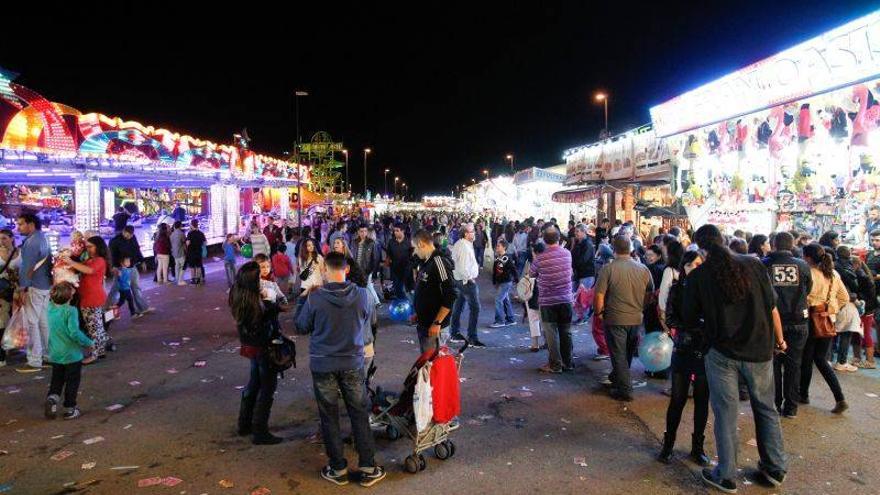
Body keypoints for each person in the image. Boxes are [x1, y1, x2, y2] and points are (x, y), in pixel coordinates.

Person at [683, 224, 787, 493]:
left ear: (700, 248)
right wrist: (778, 339)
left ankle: (726, 475)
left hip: (722, 353)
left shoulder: (699, 276)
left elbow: (688, 318)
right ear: (723, 241)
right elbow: (771, 305)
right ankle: (774, 467)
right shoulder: (754, 265)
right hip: (759, 348)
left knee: (726, 413)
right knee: (766, 407)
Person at [295, 252, 386, 487]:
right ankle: (368, 466)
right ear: (345, 269)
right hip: (352, 363)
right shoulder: (363, 296)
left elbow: (301, 326)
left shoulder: (315, 298)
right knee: (358, 413)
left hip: (323, 363)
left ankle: (338, 468)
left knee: (329, 416)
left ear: (325, 269)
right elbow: (369, 322)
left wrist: (303, 298)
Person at [658, 250, 709, 465]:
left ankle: (697, 447)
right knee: (677, 400)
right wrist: (694, 324)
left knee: (702, 401)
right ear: (683, 267)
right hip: (683, 350)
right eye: (691, 265)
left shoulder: (711, 291)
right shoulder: (677, 290)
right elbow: (670, 318)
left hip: (705, 352)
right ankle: (668, 445)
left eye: (699, 264)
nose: (695, 268)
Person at [594, 236, 654, 400]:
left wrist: (599, 313)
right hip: (635, 317)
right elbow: (650, 292)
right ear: (631, 249)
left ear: (614, 249)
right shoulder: (643, 269)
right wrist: (642, 307)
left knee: (618, 353)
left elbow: (599, 294)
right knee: (626, 352)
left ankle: (625, 389)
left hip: (615, 317)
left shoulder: (608, 269)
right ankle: (618, 377)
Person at [230, 261, 283, 445]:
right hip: (263, 347)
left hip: (250, 346)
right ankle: (260, 431)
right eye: (259, 277)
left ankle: (245, 424)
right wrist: (271, 306)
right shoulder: (255, 302)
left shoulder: (238, 294)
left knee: (254, 383)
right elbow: (262, 327)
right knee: (267, 387)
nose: (262, 279)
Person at [763, 232, 812, 419]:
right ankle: (791, 407)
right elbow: (809, 289)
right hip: (799, 321)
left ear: (773, 244)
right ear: (792, 245)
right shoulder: (802, 265)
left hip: (772, 323)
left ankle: (774, 404)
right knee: (794, 365)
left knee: (773, 365)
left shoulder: (764, 265)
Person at [800, 243, 850, 414]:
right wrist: (831, 311)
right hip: (828, 321)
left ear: (807, 257)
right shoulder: (834, 274)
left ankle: (803, 394)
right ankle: (839, 397)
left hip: (811, 320)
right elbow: (844, 297)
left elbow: (802, 298)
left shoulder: (809, 273)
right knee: (821, 359)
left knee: (806, 358)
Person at [44, 282, 94, 420]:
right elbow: (74, 333)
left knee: (57, 380)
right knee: (72, 381)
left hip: (55, 353)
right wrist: (89, 343)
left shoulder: (50, 308)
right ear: (68, 297)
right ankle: (70, 408)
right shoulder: (70, 311)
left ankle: (53, 399)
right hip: (72, 354)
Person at [530, 227, 574, 374]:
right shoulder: (567, 254)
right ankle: (568, 362)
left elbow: (531, 273)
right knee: (566, 331)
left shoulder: (540, 258)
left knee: (551, 333)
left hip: (548, 301)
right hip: (566, 299)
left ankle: (555, 364)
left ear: (544, 239)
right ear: (559, 238)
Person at [63, 236, 110, 363]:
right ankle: (100, 350)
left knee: (94, 327)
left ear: (98, 247)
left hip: (92, 298)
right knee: (95, 326)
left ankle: (94, 354)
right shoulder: (91, 259)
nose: (88, 249)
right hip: (88, 297)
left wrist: (71, 262)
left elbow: (89, 270)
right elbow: (79, 268)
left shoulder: (99, 260)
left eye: (90, 246)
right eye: (87, 247)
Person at [16, 213, 53, 370]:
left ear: (31, 224)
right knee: (44, 322)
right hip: (45, 285)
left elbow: (27, 268)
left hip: (33, 286)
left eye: (21, 224)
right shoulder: (43, 238)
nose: (18, 227)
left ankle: (34, 360)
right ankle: (48, 355)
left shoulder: (31, 242)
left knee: (32, 323)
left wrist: (22, 288)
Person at [412, 229, 456, 353]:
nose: (415, 252)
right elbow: (428, 291)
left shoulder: (439, 262)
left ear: (421, 244)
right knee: (427, 366)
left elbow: (451, 294)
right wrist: (419, 314)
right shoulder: (426, 262)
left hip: (434, 328)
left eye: (415, 248)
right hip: (425, 324)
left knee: (434, 367)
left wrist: (437, 322)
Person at [449, 223, 484, 347]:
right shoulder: (463, 246)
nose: (474, 233)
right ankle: (472, 337)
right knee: (475, 308)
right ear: (465, 233)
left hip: (459, 280)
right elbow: (463, 267)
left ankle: (454, 332)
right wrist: (469, 279)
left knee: (458, 307)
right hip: (465, 282)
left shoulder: (462, 244)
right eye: (472, 231)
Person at [107, 226, 152, 314]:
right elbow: (111, 255)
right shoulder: (115, 240)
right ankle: (107, 308)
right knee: (116, 288)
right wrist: (114, 266)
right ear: (123, 231)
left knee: (136, 287)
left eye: (130, 235)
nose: (129, 237)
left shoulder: (133, 238)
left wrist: (142, 260)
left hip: (132, 266)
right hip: (120, 268)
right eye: (127, 235)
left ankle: (142, 307)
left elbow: (137, 249)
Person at [0, 229, 20, 368]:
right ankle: (2, 354)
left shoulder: (20, 253)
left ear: (12, 238)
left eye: (4, 238)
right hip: (2, 291)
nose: (1, 241)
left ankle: (11, 345)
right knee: (2, 321)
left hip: (18, 291)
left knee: (16, 320)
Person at [490, 239, 517, 328]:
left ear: (504, 247)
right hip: (501, 282)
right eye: (497, 246)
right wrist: (494, 281)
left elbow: (513, 269)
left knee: (498, 299)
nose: (496, 247)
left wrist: (517, 280)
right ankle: (511, 319)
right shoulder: (498, 257)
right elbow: (495, 271)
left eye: (498, 246)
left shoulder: (506, 257)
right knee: (505, 300)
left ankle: (500, 321)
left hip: (505, 282)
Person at [385, 225, 412, 301]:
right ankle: (400, 304)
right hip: (394, 270)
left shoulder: (409, 242)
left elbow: (412, 256)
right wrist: (387, 262)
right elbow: (388, 254)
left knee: (404, 289)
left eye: (397, 230)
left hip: (406, 270)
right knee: (397, 289)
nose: (395, 232)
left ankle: (407, 304)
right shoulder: (391, 242)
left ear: (402, 231)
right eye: (394, 231)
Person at [571, 223, 597, 291]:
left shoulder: (588, 244)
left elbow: (582, 260)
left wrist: (572, 266)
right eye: (575, 231)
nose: (575, 233)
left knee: (583, 299)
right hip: (578, 275)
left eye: (577, 231)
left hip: (586, 276)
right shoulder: (578, 243)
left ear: (583, 232)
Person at [185, 219, 207, 285]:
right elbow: (205, 243)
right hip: (198, 251)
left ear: (191, 225)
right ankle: (198, 278)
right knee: (199, 266)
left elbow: (187, 243)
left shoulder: (190, 233)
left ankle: (193, 279)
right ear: (197, 225)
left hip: (191, 252)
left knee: (192, 266)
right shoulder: (201, 233)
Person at [170, 221, 187, 286]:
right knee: (183, 266)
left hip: (174, 253)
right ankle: (180, 280)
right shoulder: (181, 234)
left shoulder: (172, 234)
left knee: (177, 266)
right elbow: (184, 242)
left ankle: (177, 279)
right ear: (180, 226)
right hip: (181, 252)